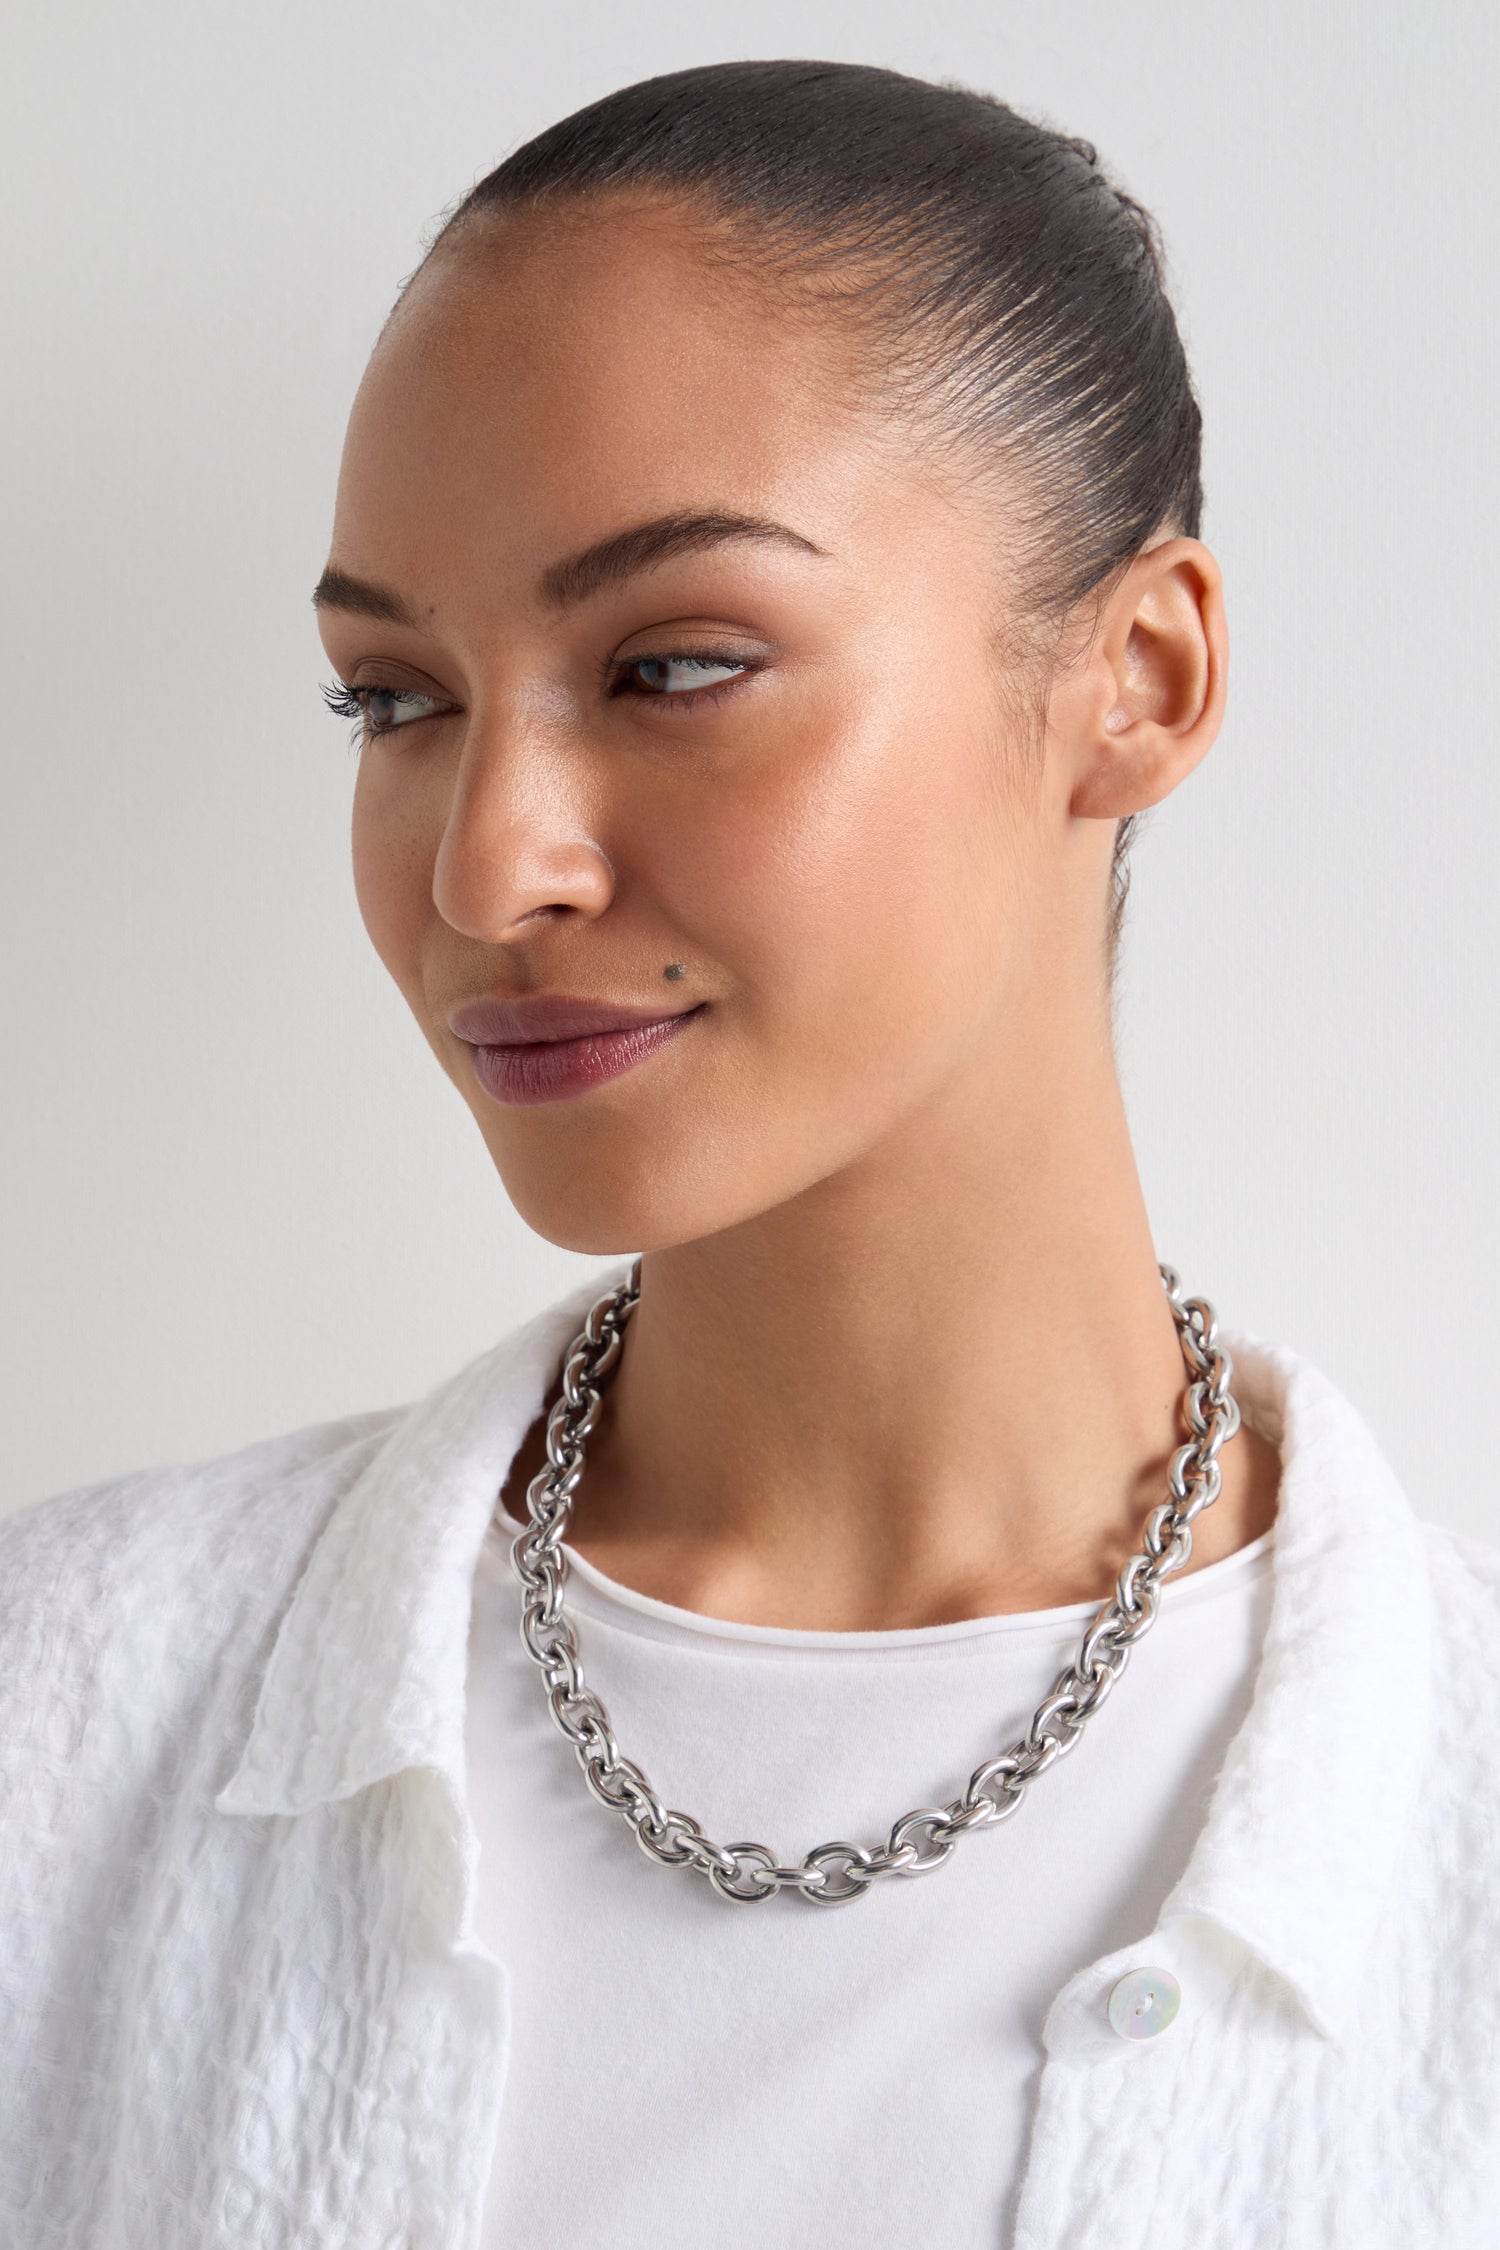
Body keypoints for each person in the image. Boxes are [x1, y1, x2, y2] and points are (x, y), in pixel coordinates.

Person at [2, 56, 1496, 2250]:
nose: (489, 865)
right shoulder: (64, 1722)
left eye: (676, 662)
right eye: (394, 699)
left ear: (1139, 680)